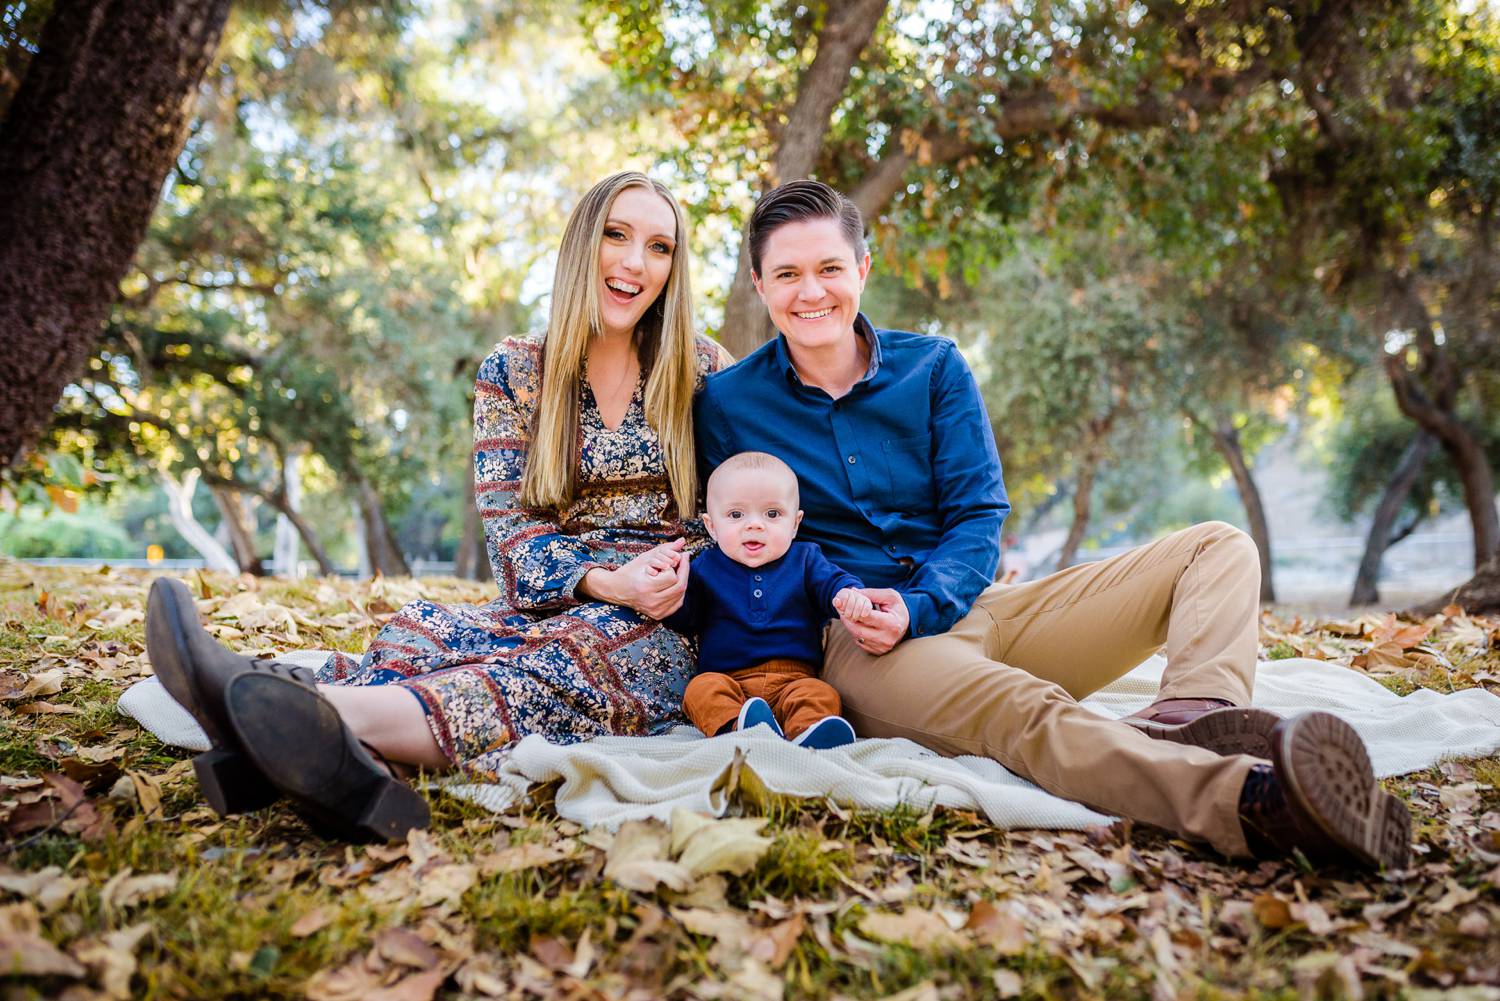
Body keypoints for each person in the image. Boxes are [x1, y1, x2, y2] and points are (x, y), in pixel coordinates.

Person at [693, 179, 1411, 870]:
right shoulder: (730, 402)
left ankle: (1195, 722)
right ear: (759, 286)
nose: (810, 291)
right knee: (1027, 709)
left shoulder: (934, 367)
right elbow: (728, 535)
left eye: (829, 267)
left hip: (976, 604)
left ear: (863, 268)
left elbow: (979, 514)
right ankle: (1252, 803)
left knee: (1217, 549)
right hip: (864, 639)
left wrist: (926, 602)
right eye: (787, 274)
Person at [145, 171, 734, 841]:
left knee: (561, 664)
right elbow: (512, 536)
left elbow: (738, 514)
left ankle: (285, 712)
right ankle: (327, 759)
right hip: (554, 596)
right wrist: (600, 580)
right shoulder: (514, 369)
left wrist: (660, 580)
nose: (635, 262)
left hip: (661, 623)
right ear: (581, 244)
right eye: (617, 235)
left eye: (660, 247)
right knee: (422, 630)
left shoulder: (707, 369)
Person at [665, 450, 870, 748]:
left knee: (821, 694)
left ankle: (807, 734)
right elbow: (687, 616)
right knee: (699, 690)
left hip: (794, 678)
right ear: (711, 526)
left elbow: (832, 583)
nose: (755, 525)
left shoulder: (805, 559)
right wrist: (672, 594)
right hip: (728, 679)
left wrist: (849, 594)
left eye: (772, 514)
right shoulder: (706, 566)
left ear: (795, 523)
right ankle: (739, 728)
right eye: (736, 515)